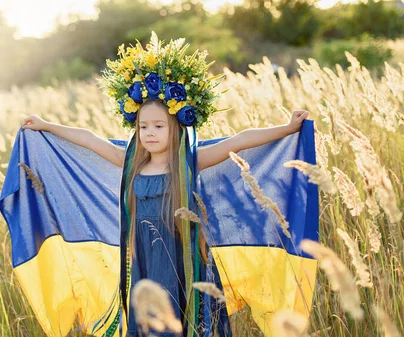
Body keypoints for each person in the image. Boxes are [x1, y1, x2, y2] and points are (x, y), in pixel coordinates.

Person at [20, 38, 309, 337]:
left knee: (177, 319)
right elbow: (90, 138)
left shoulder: (187, 164)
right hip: (143, 258)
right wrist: (46, 125)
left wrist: (287, 129)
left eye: (158, 126)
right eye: (143, 127)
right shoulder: (131, 164)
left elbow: (237, 141)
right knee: (146, 320)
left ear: (175, 128)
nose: (149, 133)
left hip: (179, 257)